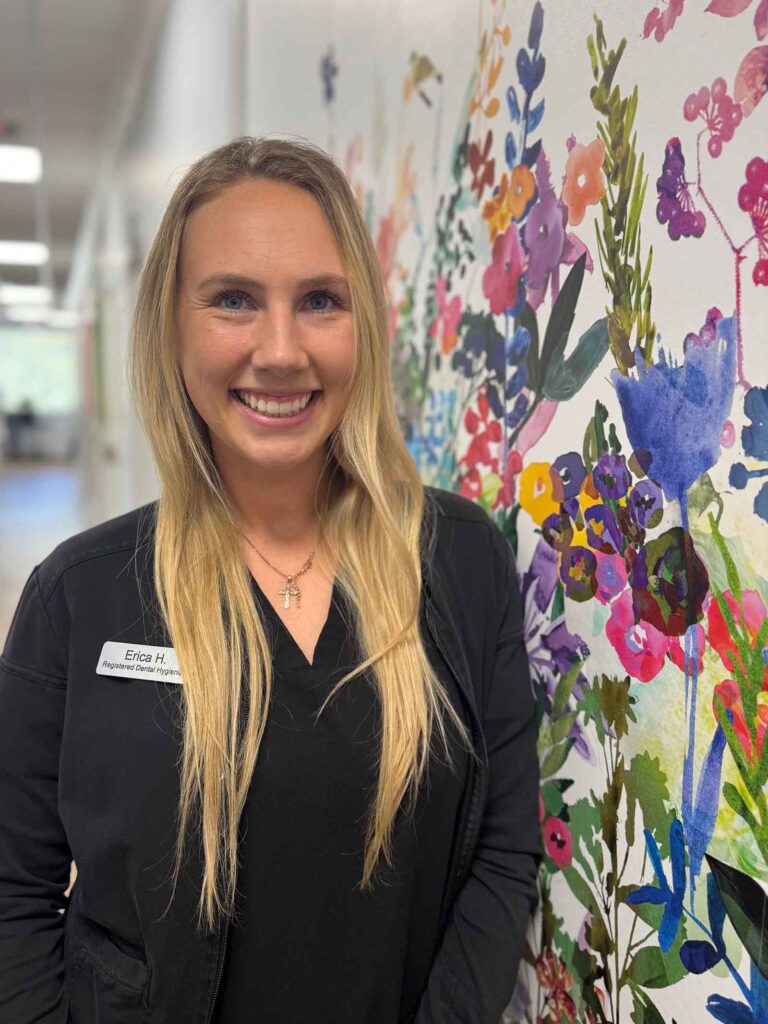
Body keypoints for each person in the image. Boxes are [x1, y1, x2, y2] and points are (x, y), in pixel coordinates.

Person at [0, 136, 540, 1024]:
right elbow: (15, 895)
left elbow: (503, 850)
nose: (281, 351)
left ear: (361, 322)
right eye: (234, 301)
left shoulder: (460, 560)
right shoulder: (78, 597)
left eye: (320, 301)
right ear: (173, 326)